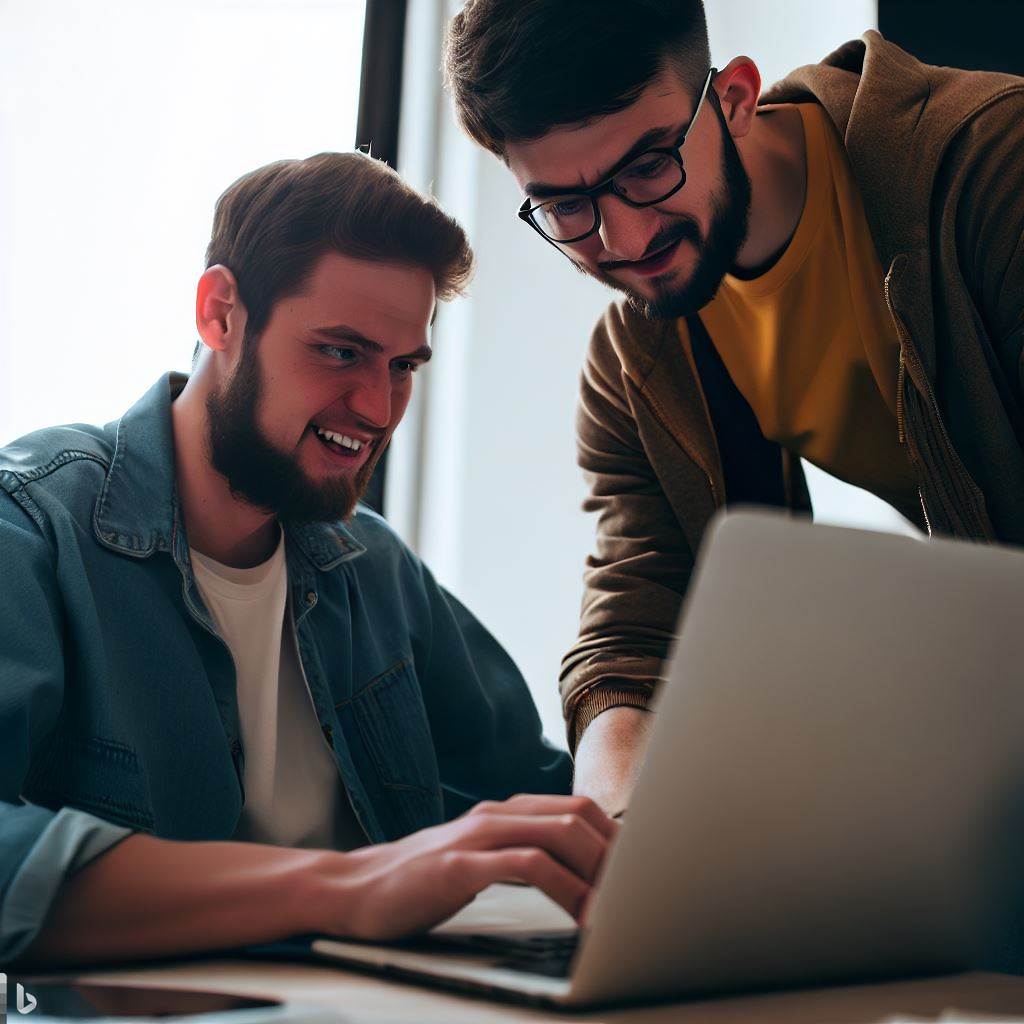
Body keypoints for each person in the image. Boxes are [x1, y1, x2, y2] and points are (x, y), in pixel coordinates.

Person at [0, 152, 615, 966]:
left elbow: (539, 803)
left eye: (403, 366)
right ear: (220, 314)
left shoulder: (375, 568)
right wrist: (349, 887)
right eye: (340, 352)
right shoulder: (31, 527)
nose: (378, 407)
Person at [444, 1, 1024, 814]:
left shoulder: (994, 172)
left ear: (736, 99)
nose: (624, 236)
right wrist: (623, 834)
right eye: (567, 207)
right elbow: (633, 643)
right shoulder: (638, 365)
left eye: (648, 166)